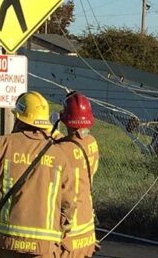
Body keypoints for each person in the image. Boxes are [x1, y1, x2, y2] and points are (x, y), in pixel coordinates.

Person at [0, 91, 75, 258]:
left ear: (19, 118)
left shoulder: (3, 144)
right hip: (44, 243)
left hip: (8, 238)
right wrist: (62, 228)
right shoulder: (59, 155)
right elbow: (69, 202)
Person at [56, 92, 100, 258]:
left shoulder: (60, 150)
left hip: (69, 232)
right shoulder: (92, 143)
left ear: (65, 119)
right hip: (87, 228)